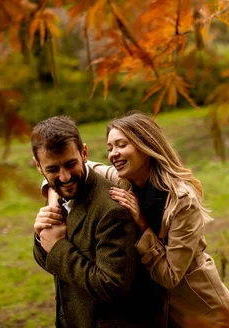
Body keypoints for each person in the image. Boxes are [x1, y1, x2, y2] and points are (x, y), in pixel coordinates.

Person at [39, 112, 229, 327]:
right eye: (110, 148)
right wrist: (52, 204)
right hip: (161, 313)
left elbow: (170, 276)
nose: (113, 154)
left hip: (200, 311)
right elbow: (74, 170)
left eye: (121, 145)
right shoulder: (123, 180)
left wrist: (143, 224)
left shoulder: (181, 199)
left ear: (145, 146)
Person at [31, 116, 162, 328]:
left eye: (70, 164)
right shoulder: (57, 198)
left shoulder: (111, 210)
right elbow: (49, 260)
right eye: (53, 169)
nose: (64, 177)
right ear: (39, 167)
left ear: (84, 153)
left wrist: (57, 247)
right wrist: (41, 237)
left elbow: (112, 286)